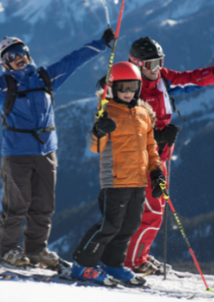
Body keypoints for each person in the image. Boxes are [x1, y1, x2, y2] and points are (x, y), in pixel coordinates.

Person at [0, 23, 114, 268]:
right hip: (17, 153)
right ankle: (6, 250)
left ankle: (36, 249)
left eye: (21, 52)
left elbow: (74, 60)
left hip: (47, 151)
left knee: (44, 205)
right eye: (10, 56)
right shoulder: (4, 86)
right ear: (4, 63)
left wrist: (102, 44)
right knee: (16, 205)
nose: (18, 58)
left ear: (28, 54)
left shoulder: (46, 78)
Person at [118, 36, 214, 274]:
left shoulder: (162, 78)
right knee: (152, 212)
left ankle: (137, 255)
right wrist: (157, 136)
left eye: (160, 61)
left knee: (149, 210)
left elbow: (190, 79)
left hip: (159, 156)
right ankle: (133, 262)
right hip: (141, 161)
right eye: (151, 64)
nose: (157, 69)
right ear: (136, 64)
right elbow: (124, 129)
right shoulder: (130, 88)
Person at [68, 61, 162, 286]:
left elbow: (151, 147)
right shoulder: (107, 111)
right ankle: (83, 265)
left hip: (138, 180)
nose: (128, 92)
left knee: (129, 225)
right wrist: (100, 130)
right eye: (123, 87)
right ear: (113, 88)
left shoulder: (143, 113)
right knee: (110, 225)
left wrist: (156, 172)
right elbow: (95, 147)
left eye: (132, 87)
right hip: (116, 180)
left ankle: (113, 264)